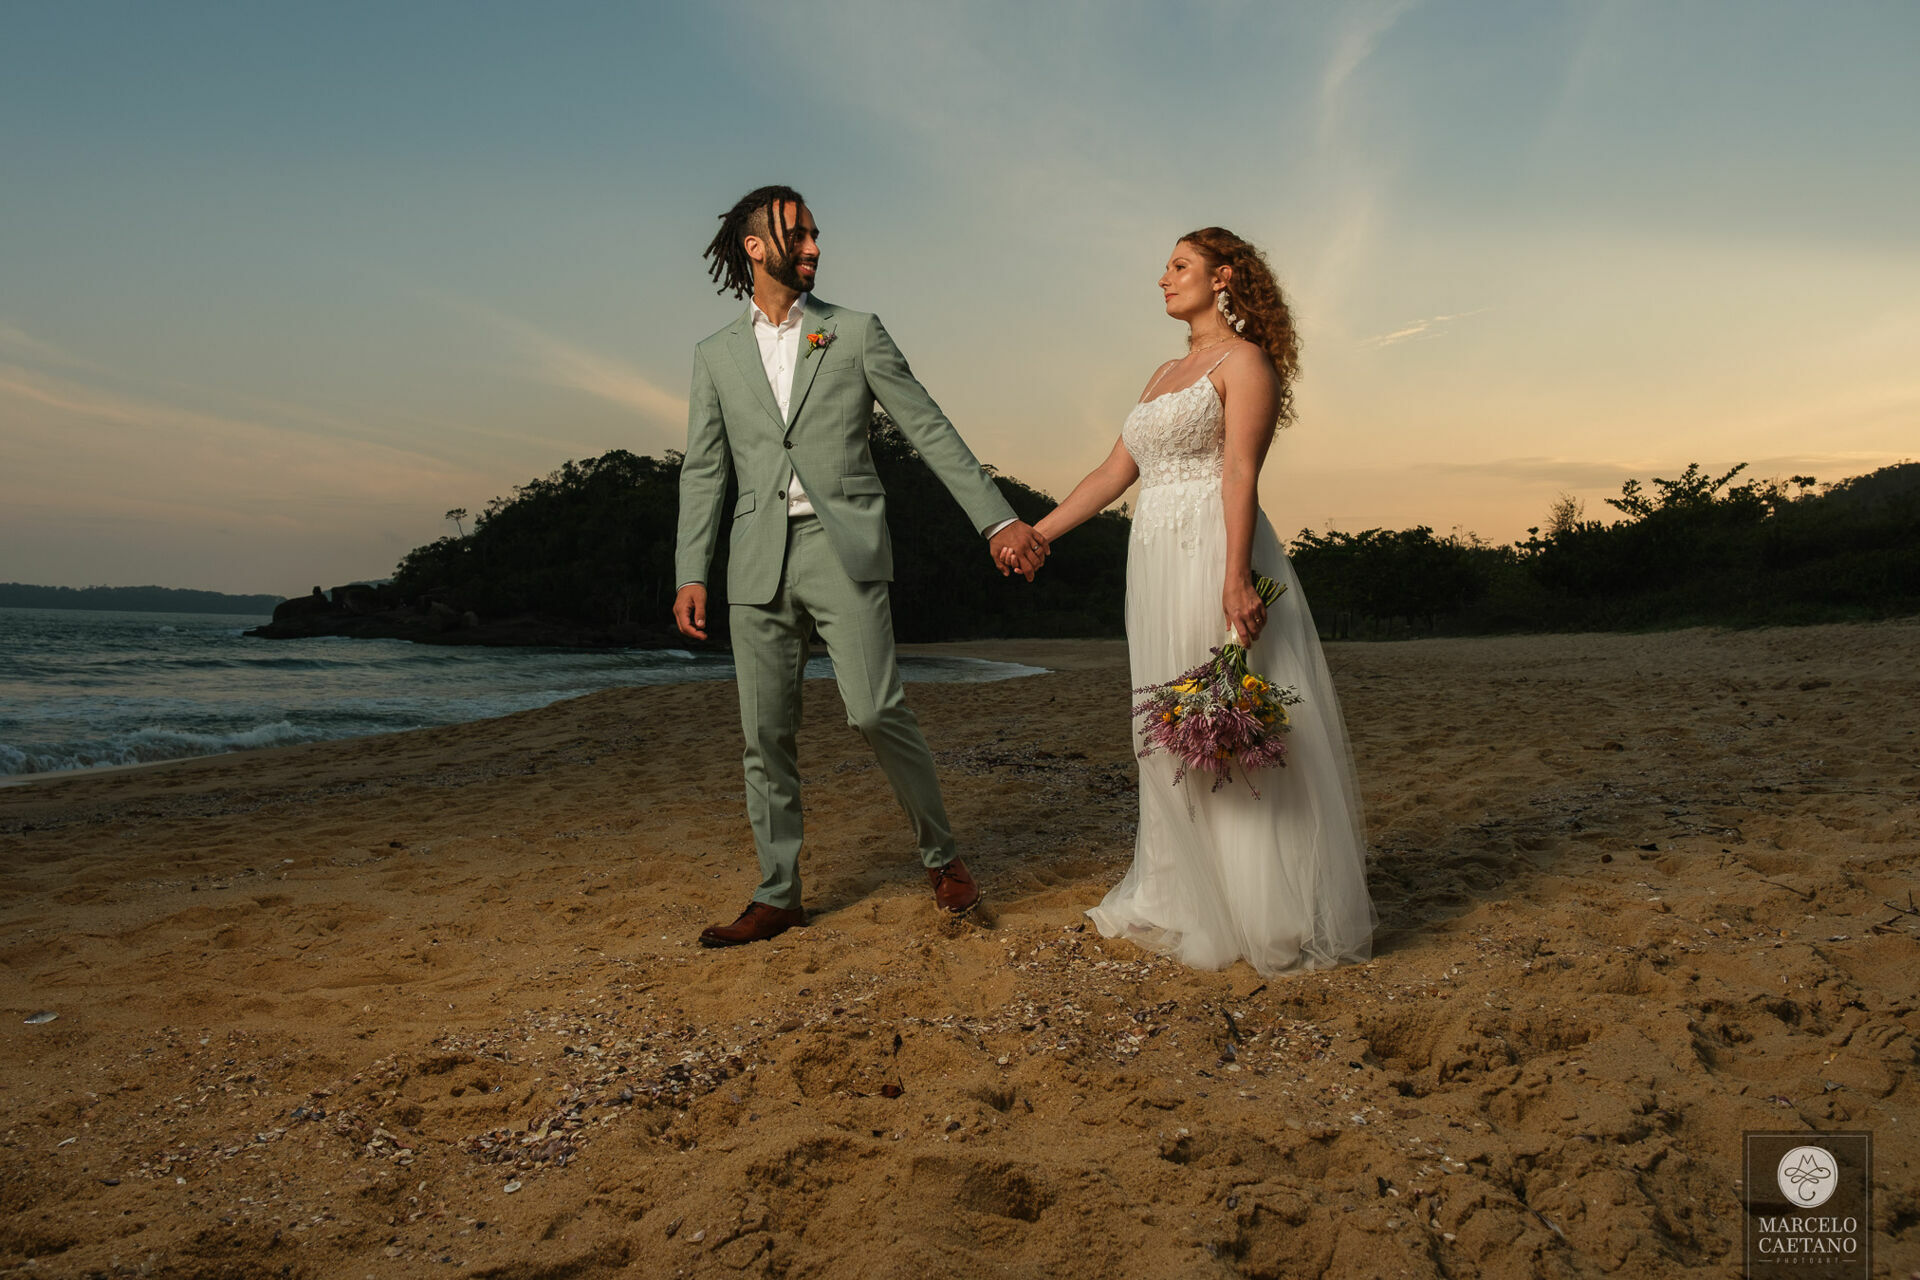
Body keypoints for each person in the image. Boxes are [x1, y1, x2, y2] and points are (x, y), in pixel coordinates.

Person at [673, 185, 1050, 947]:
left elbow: (928, 425)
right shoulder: (713, 355)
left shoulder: (854, 333)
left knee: (875, 709)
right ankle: (778, 893)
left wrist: (998, 517)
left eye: (817, 236)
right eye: (798, 236)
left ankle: (942, 857)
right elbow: (704, 471)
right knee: (764, 734)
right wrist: (692, 569)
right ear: (755, 246)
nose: (814, 248)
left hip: (841, 549)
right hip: (755, 563)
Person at [1012, 227, 1374, 975]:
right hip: (1152, 561)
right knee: (1167, 723)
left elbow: (1240, 471)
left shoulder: (1246, 364)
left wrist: (1236, 574)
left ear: (1224, 277)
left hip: (1214, 547)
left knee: (1224, 721)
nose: (1163, 279)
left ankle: (1260, 907)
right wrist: (1036, 533)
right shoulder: (1163, 372)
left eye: (1179, 266)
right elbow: (1116, 472)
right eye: (1165, 267)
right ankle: (1181, 893)